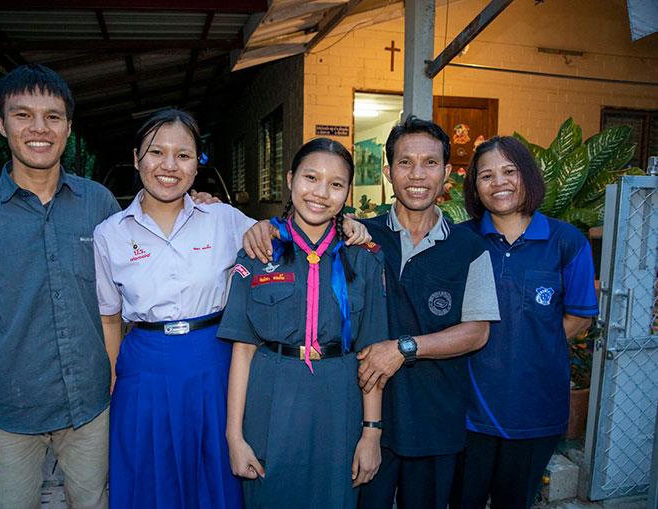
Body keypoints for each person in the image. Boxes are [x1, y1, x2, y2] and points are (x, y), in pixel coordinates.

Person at [94, 110, 371, 508]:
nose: (169, 166)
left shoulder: (223, 219)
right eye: (156, 152)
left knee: (216, 474)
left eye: (184, 155)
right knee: (150, 474)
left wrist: (349, 226)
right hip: (144, 365)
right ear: (137, 158)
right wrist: (115, 381)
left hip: (214, 355)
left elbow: (294, 230)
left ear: (197, 166)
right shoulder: (110, 234)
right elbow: (109, 316)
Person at [0, 64, 119, 508]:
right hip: (9, 408)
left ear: (68, 127)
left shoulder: (98, 202)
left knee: (93, 502)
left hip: (89, 405)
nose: (39, 129)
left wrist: (201, 206)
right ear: (2, 125)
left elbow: (144, 261)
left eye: (53, 117)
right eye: (23, 115)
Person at [219, 137, 388, 508]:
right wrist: (234, 436)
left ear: (346, 194)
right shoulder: (258, 252)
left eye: (336, 184)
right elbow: (243, 353)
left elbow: (372, 356)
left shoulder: (364, 259)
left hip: (338, 406)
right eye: (311, 178)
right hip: (270, 404)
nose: (320, 193)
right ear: (291, 179)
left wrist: (371, 434)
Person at [356, 116, 501, 509]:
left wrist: (402, 348)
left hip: (435, 419)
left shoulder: (470, 248)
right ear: (388, 172)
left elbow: (477, 331)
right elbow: (302, 230)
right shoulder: (358, 236)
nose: (417, 175)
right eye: (405, 163)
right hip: (366, 421)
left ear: (447, 173)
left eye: (430, 163)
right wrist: (263, 229)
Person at [449, 136, 597, 509]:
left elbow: (580, 316)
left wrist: (532, 345)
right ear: (475, 187)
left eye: (509, 171)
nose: (499, 182)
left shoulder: (567, 241)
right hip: (468, 409)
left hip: (535, 408)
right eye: (486, 175)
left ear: (527, 176)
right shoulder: (459, 240)